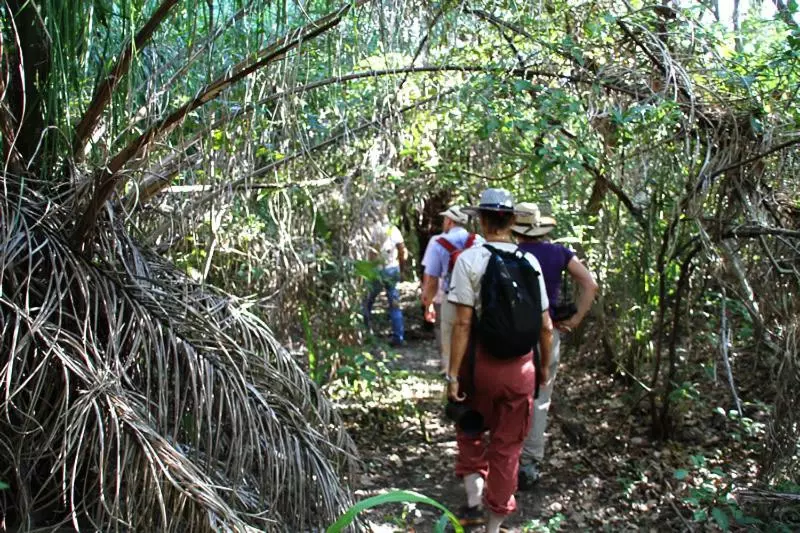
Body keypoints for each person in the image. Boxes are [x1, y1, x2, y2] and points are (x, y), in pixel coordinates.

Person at [445, 189, 553, 532]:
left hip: (479, 367)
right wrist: (545, 368)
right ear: (511, 222)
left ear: (483, 220)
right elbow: (546, 326)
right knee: (508, 448)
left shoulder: (469, 260)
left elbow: (463, 322)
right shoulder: (530, 263)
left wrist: (452, 374)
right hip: (522, 368)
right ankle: (493, 526)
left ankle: (474, 504)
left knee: (471, 431)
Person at [511, 202, 598, 489]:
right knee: (540, 397)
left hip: (510, 333)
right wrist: (575, 319)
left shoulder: (510, 254)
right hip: (548, 332)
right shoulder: (559, 253)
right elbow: (590, 284)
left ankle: (505, 461)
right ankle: (529, 465)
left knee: (509, 394)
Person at [421, 205, 482, 373]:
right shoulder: (478, 241)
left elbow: (432, 278)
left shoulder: (437, 242)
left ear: (449, 221)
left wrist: (428, 304)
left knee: (447, 337)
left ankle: (450, 374)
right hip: (475, 299)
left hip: (450, 298)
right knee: (472, 337)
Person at [362, 211, 407, 347]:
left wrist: (369, 270)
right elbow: (402, 250)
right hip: (392, 269)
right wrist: (402, 268)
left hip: (378, 270)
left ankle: (365, 334)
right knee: (394, 304)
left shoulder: (374, 231)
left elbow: (372, 253)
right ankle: (398, 337)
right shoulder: (394, 230)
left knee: (367, 302)